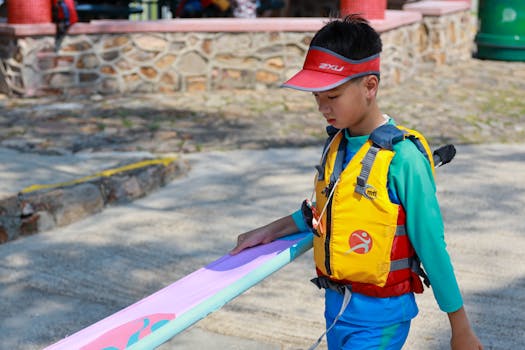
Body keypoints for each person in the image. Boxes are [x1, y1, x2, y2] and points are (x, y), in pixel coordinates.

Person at [230, 15, 483, 350]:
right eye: (317, 97)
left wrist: (460, 328)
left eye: (332, 96)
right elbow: (326, 211)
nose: (322, 107)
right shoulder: (336, 144)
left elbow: (432, 246)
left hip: (382, 318)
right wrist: (269, 232)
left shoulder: (403, 159)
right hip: (336, 310)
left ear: (370, 86)